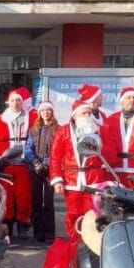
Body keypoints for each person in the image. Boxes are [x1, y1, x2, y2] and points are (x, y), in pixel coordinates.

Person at [50, 100, 114, 244]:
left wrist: (102, 147)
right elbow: (55, 157)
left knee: (92, 214)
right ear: (75, 115)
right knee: (73, 214)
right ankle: (74, 242)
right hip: (72, 180)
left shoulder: (100, 130)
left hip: (94, 180)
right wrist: (57, 179)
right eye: (84, 113)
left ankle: (90, 243)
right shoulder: (63, 131)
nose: (87, 115)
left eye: (89, 112)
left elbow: (111, 156)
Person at [0, 88, 34, 240]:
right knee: (7, 196)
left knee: (24, 196)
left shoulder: (31, 116)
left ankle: (23, 224)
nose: (15, 103)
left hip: (24, 163)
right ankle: (7, 225)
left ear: (22, 102)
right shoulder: (1, 119)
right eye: (12, 100)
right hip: (5, 162)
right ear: (8, 102)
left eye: (18, 100)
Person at [25, 100, 58, 244]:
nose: (46, 112)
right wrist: (35, 162)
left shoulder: (58, 129)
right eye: (43, 110)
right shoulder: (33, 129)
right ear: (39, 112)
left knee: (48, 202)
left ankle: (50, 233)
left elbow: (58, 149)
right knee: (36, 201)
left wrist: (46, 162)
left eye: (48, 110)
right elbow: (27, 149)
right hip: (35, 168)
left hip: (50, 169)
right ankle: (38, 233)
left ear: (52, 112)